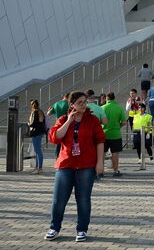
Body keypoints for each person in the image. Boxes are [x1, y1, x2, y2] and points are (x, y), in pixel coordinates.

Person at [45, 92, 105, 242]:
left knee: (83, 199)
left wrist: (100, 162)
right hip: (66, 164)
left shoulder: (92, 120)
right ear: (72, 105)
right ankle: (54, 227)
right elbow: (55, 137)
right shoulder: (63, 119)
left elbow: (100, 141)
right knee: (59, 199)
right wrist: (68, 121)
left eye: (85, 102)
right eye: (80, 102)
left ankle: (82, 230)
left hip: (86, 165)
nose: (84, 105)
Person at [101, 92, 126, 177]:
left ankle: (101, 171)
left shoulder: (102, 108)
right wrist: (118, 126)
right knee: (115, 153)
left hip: (103, 134)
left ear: (107, 99)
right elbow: (124, 122)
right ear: (114, 98)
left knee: (102, 153)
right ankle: (115, 171)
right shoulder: (119, 108)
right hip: (115, 134)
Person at [48, 92, 70, 158]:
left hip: (58, 124)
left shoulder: (56, 104)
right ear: (68, 98)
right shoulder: (68, 104)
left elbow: (49, 113)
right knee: (65, 142)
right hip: (66, 125)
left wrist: (50, 110)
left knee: (58, 143)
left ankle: (57, 157)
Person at [29, 100, 46, 174]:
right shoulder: (40, 111)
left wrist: (29, 123)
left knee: (38, 151)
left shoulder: (35, 112)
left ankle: (39, 168)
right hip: (40, 132)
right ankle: (38, 167)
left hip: (36, 133)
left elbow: (33, 123)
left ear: (32, 105)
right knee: (38, 151)